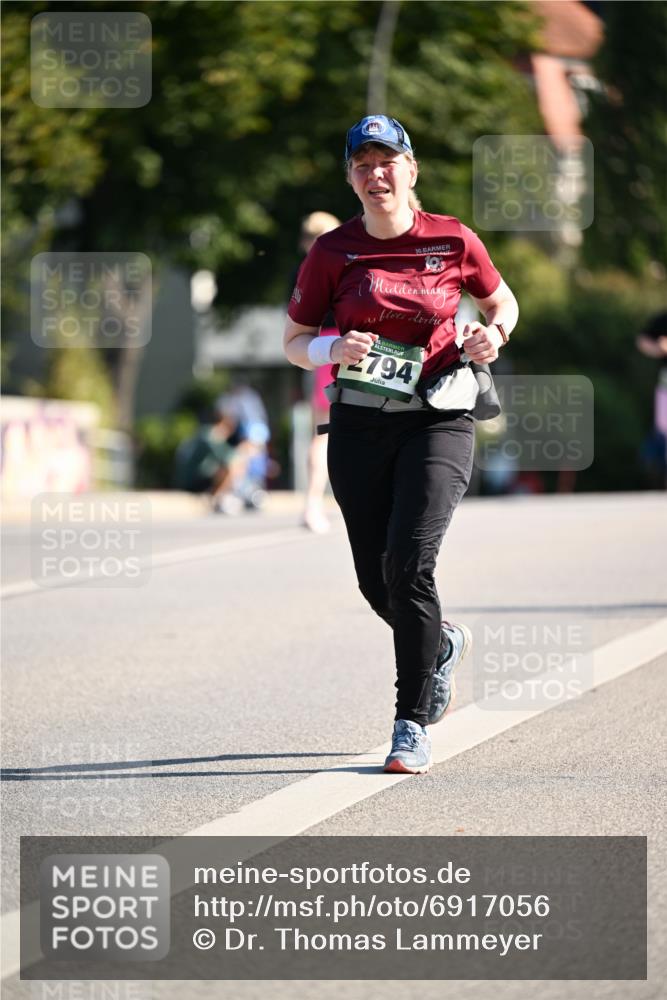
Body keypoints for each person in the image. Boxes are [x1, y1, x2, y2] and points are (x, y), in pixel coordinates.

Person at [283, 115, 518, 774]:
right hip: (359, 421)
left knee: (409, 565)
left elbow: (503, 303)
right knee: (373, 578)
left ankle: (410, 722)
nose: (375, 174)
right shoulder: (332, 251)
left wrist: (491, 335)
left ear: (410, 170)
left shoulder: (452, 238)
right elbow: (294, 342)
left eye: (387, 162)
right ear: (352, 178)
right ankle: (437, 643)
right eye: (362, 164)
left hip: (438, 417)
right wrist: (335, 346)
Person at [296, 212, 342, 533]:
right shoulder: (342, 262)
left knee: (323, 433)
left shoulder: (302, 270)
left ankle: (313, 502)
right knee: (328, 433)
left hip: (319, 348)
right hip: (343, 343)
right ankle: (314, 503)